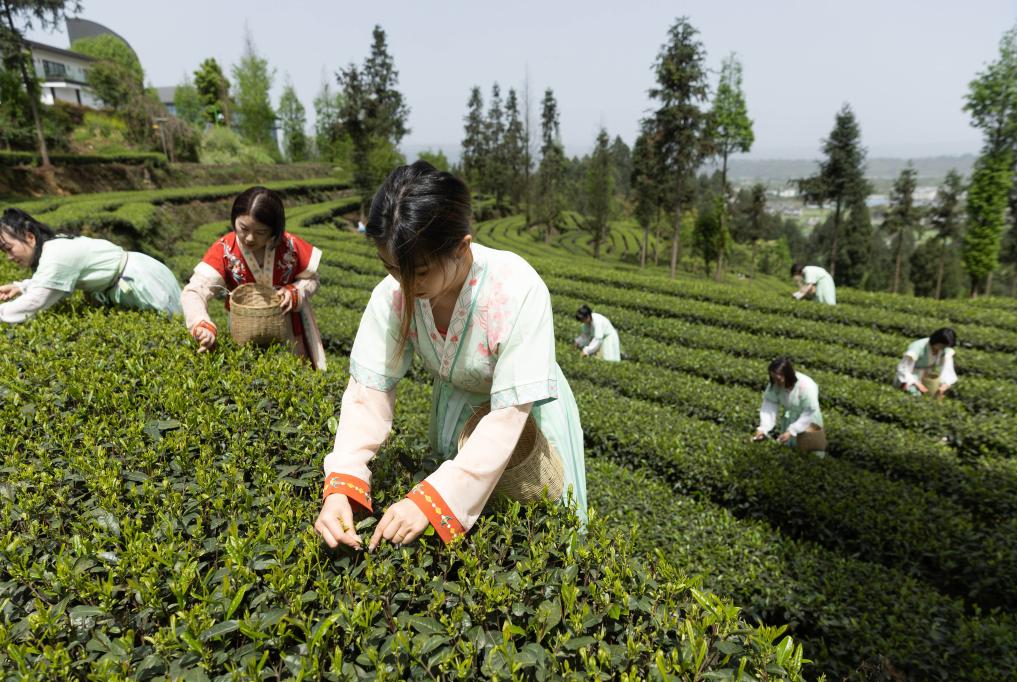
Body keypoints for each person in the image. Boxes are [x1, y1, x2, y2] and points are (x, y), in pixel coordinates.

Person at [314, 161, 587, 551]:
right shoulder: (391, 296)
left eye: (420, 271)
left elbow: (509, 415)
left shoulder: (516, 289)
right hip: (458, 415)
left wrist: (433, 499)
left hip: (525, 422)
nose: (406, 285)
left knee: (539, 540)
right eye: (392, 267)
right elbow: (367, 393)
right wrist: (342, 483)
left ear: (462, 247)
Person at [180, 186, 326, 370]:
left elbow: (313, 279)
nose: (249, 238)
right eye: (243, 228)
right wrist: (201, 324)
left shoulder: (290, 246)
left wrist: (296, 291)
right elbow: (194, 291)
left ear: (274, 230)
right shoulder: (225, 249)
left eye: (260, 232)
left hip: (289, 332)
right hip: (244, 331)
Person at [0, 208, 181, 323]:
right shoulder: (53, 249)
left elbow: (36, 301)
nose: (9, 257)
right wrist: (20, 287)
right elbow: (48, 280)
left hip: (142, 280)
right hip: (131, 277)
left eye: (9, 248)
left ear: (30, 237)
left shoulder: (57, 254)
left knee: (177, 326)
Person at [753, 357, 827, 456]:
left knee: (811, 457)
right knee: (791, 454)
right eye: (773, 378)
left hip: (809, 422)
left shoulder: (806, 386)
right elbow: (769, 405)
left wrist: (792, 431)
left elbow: (810, 411)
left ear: (787, 375)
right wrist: (763, 429)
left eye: (778, 379)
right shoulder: (775, 384)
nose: (776, 382)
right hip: (790, 420)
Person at [895, 327, 957, 399]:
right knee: (915, 395)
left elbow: (947, 369)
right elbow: (903, 369)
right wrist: (918, 384)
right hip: (911, 377)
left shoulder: (945, 350)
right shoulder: (917, 347)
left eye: (946, 346)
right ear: (936, 341)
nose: (943, 348)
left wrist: (945, 384)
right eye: (942, 345)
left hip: (927, 378)